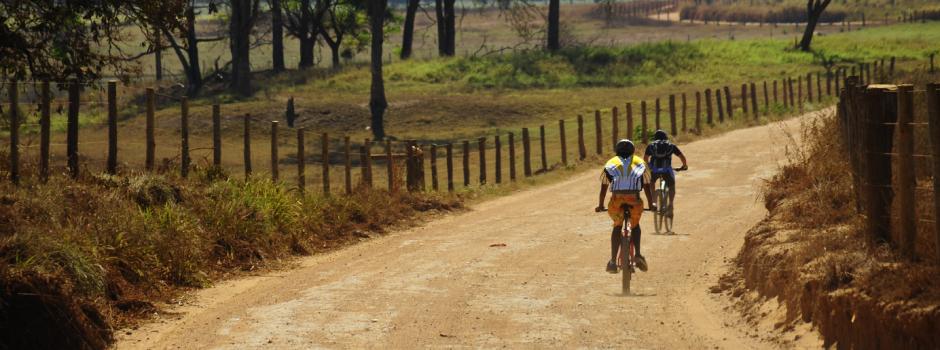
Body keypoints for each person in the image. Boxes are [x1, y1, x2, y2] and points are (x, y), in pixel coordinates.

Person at [595, 139, 653, 274]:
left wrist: (600, 205)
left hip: (617, 200)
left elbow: (604, 188)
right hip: (634, 199)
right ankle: (637, 254)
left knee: (617, 225)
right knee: (635, 224)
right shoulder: (639, 162)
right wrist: (652, 204)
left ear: (617, 151)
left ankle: (613, 262)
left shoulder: (611, 163)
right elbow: (646, 185)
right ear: (633, 151)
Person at [644, 130, 688, 214]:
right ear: (665, 137)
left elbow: (645, 158)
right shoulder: (671, 146)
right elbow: (682, 157)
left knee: (651, 182)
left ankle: (654, 201)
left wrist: (649, 166)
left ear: (655, 138)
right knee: (671, 186)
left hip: (654, 170)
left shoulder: (651, 146)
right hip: (667, 170)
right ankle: (670, 204)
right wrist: (684, 166)